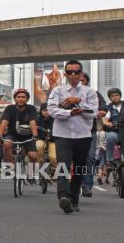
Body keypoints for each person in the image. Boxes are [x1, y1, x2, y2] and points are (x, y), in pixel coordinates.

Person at [48, 60, 98, 214]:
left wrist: (79, 102)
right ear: (65, 74)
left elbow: (94, 113)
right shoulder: (57, 91)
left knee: (78, 168)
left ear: (81, 74)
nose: (73, 75)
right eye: (70, 72)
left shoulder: (89, 92)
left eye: (76, 72)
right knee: (63, 164)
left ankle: (74, 200)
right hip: (62, 135)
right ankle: (64, 196)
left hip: (83, 135)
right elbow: (52, 110)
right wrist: (69, 112)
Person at [79, 72, 107, 197]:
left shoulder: (94, 94)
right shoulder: (64, 93)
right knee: (70, 159)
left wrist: (102, 111)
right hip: (68, 132)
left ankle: (86, 186)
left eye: (83, 80)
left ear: (87, 82)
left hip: (89, 132)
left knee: (89, 158)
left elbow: (103, 106)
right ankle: (67, 186)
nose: (80, 83)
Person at [0, 89, 38, 170]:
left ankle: (30, 173)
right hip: (12, 135)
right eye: (18, 97)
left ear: (27, 99)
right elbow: (5, 121)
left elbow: (32, 122)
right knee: (6, 144)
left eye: (23, 97)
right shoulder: (10, 108)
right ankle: (11, 164)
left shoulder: (31, 108)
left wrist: (35, 135)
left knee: (33, 156)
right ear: (15, 98)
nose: (21, 99)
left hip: (28, 137)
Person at [36, 103, 57, 177]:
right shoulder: (37, 120)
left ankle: (53, 171)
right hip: (41, 140)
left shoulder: (56, 120)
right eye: (44, 110)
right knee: (38, 147)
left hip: (53, 141)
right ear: (41, 111)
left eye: (48, 110)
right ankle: (39, 166)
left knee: (53, 157)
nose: (46, 112)